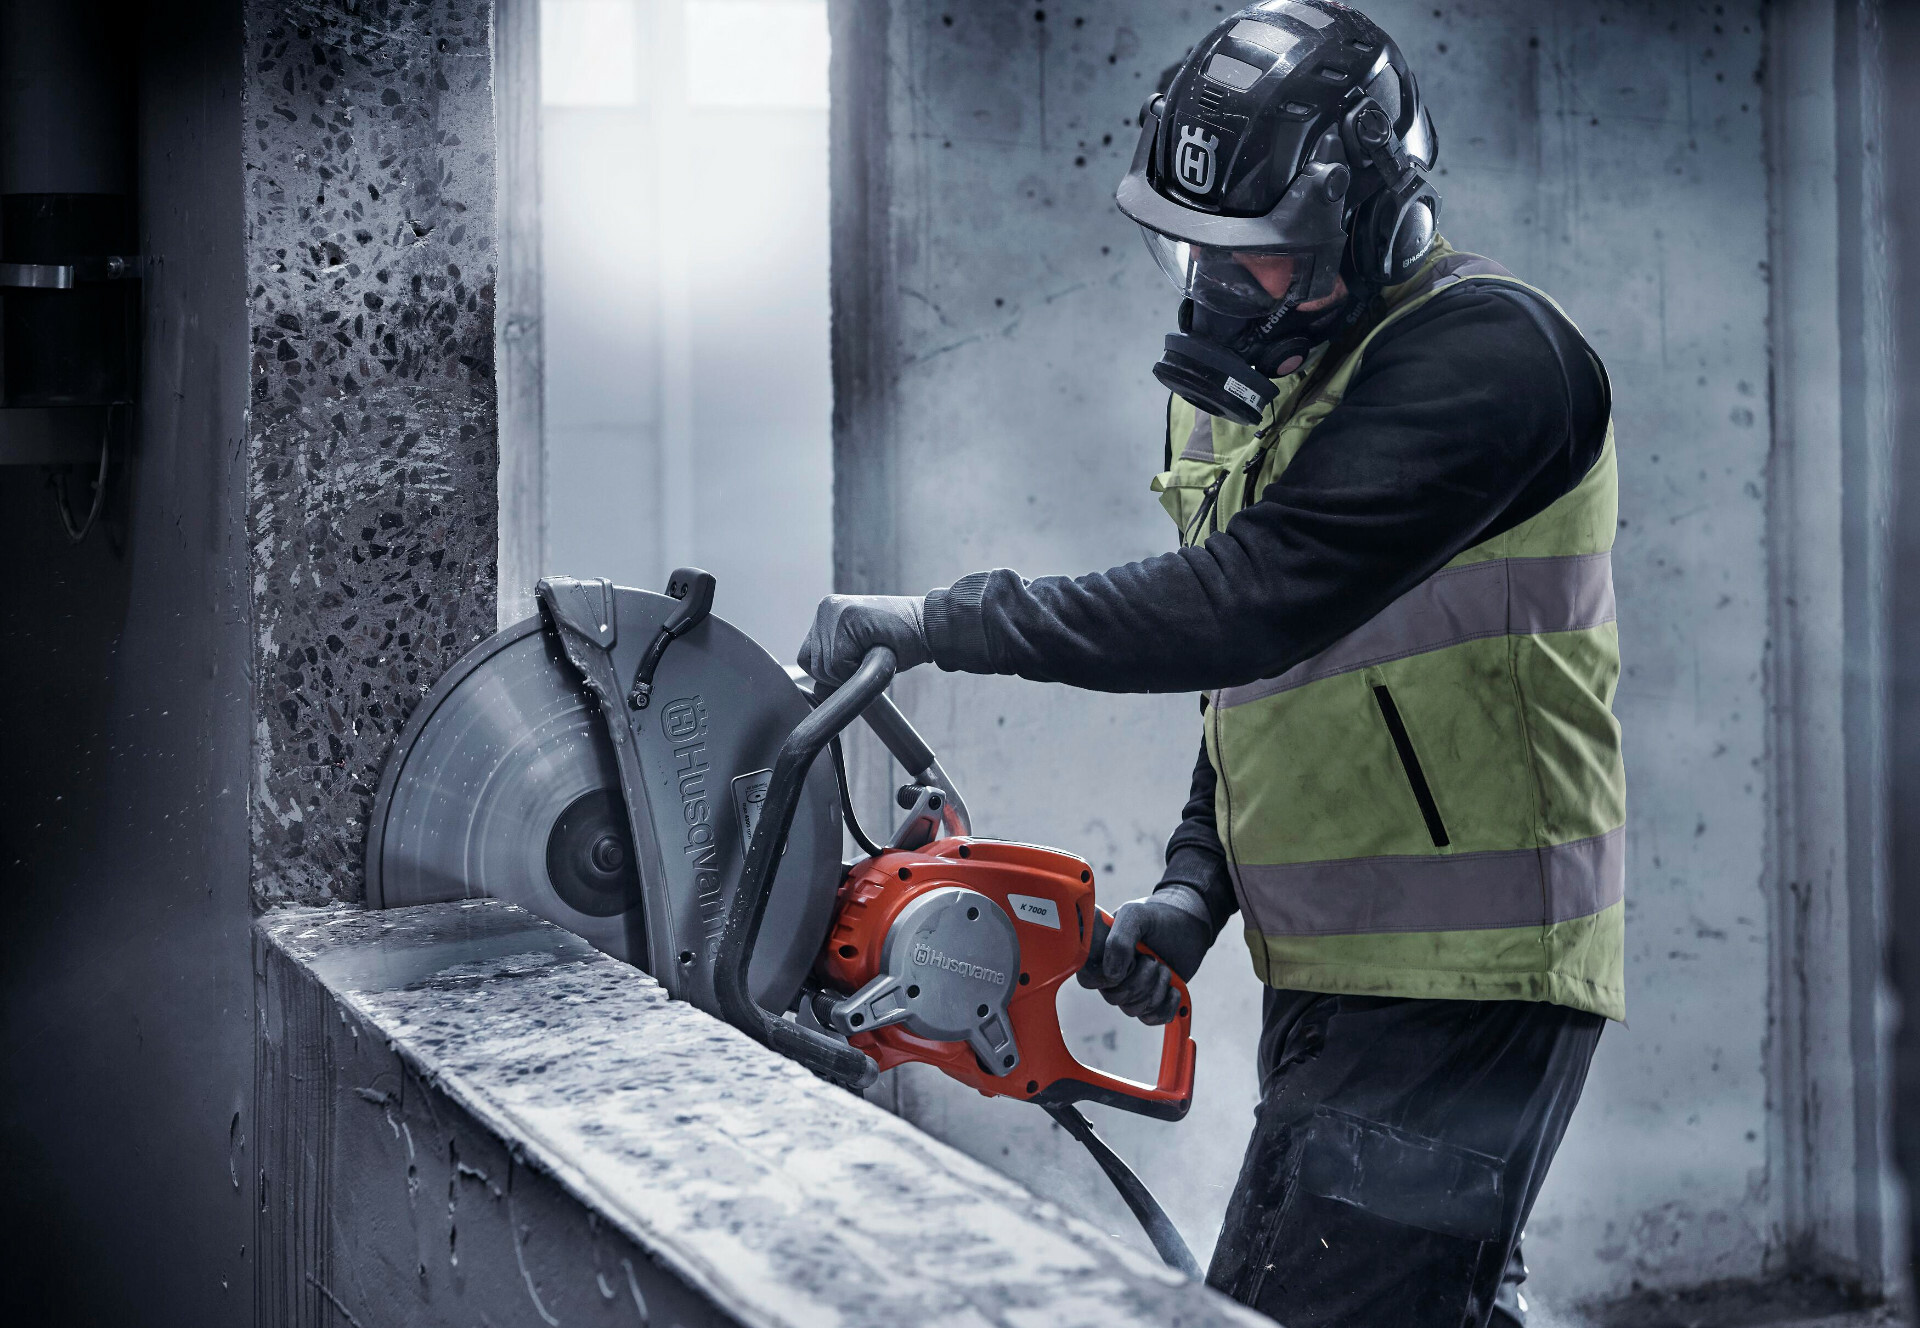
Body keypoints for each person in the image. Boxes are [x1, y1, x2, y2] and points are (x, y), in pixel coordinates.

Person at [797, 3, 1622, 1324]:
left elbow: (1247, 605)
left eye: (1264, 259)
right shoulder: (1272, 388)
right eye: (1197, 252)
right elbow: (1265, 681)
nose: (1222, 292)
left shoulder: (1490, 364)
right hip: (1345, 970)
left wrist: (940, 623)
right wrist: (1194, 889)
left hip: (1468, 978)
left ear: (1376, 225)